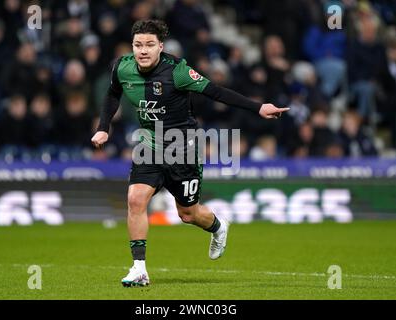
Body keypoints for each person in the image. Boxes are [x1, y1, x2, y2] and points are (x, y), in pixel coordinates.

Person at [91, 20, 289, 287]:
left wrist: (258, 107)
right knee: (136, 199)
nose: (143, 50)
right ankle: (139, 268)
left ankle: (218, 226)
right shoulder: (121, 67)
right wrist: (104, 127)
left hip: (182, 150)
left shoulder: (178, 71)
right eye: (138, 45)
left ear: (160, 46)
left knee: (188, 214)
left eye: (150, 45)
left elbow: (216, 92)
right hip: (149, 146)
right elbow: (112, 94)